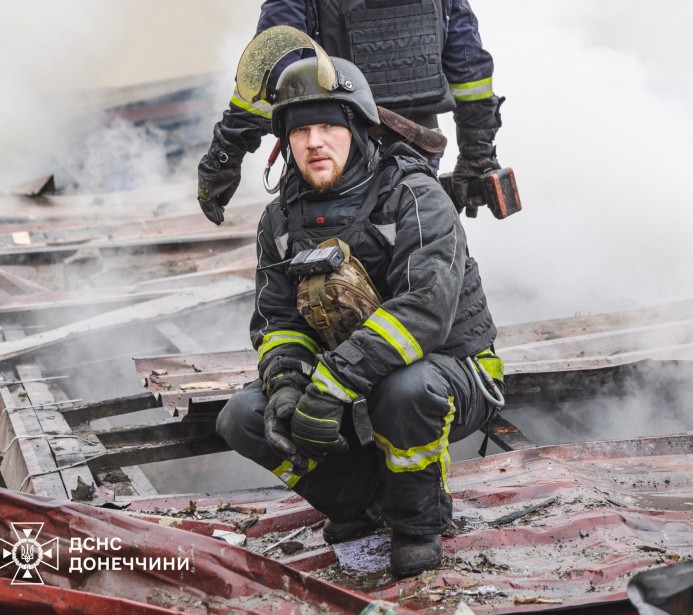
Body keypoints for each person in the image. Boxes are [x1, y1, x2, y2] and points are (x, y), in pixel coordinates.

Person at [215, 43, 504, 578]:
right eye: (299, 131)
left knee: (406, 390)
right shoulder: (279, 222)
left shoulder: (414, 196)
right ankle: (360, 505)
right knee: (244, 417)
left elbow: (424, 313)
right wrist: (286, 382)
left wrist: (332, 383)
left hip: (452, 373)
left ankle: (419, 521)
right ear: (284, 144)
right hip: (347, 385)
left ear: (360, 127)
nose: (314, 141)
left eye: (328, 126)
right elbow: (278, 323)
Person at [198, 0, 504, 225]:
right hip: (418, 147)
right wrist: (477, 155)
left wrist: (225, 154)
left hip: (335, 147)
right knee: (419, 242)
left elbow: (272, 69)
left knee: (327, 270)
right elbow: (469, 69)